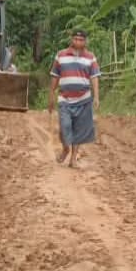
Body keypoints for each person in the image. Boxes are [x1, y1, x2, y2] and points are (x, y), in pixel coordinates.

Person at [48, 30, 101, 168]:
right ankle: (66, 148)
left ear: (85, 41)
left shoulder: (90, 58)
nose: (78, 42)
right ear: (71, 40)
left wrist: (96, 97)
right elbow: (55, 76)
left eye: (81, 39)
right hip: (65, 99)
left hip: (83, 99)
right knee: (65, 126)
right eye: (76, 39)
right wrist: (51, 95)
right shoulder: (61, 55)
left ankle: (73, 159)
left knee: (78, 130)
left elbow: (94, 77)